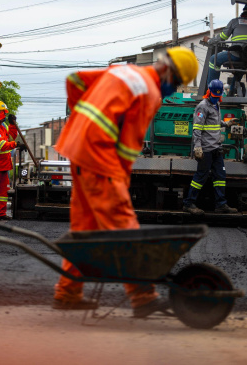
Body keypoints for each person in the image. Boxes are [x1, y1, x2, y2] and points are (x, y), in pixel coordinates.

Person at [53, 46, 198, 317]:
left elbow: (74, 80)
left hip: (77, 147)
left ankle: (68, 292)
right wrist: (119, 181)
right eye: (176, 82)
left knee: (85, 227)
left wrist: (80, 119)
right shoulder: (150, 93)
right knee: (123, 225)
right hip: (99, 157)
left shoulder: (123, 70)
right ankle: (143, 295)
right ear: (167, 70)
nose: (174, 88)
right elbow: (129, 148)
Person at [182, 79, 239, 216]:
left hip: (216, 148)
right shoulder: (203, 106)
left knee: (220, 176)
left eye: (217, 97)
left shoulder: (217, 104)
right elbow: (197, 129)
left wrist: (226, 124)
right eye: (213, 96)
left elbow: (214, 122)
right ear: (209, 93)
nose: (215, 98)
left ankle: (221, 204)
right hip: (205, 149)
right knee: (201, 177)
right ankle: (188, 204)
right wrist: (197, 147)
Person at [205, 4, 247, 94]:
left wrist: (210, 41)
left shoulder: (235, 21)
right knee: (241, 68)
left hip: (235, 53)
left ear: (243, 12)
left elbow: (223, 37)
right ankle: (231, 91)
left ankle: (212, 90)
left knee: (213, 60)